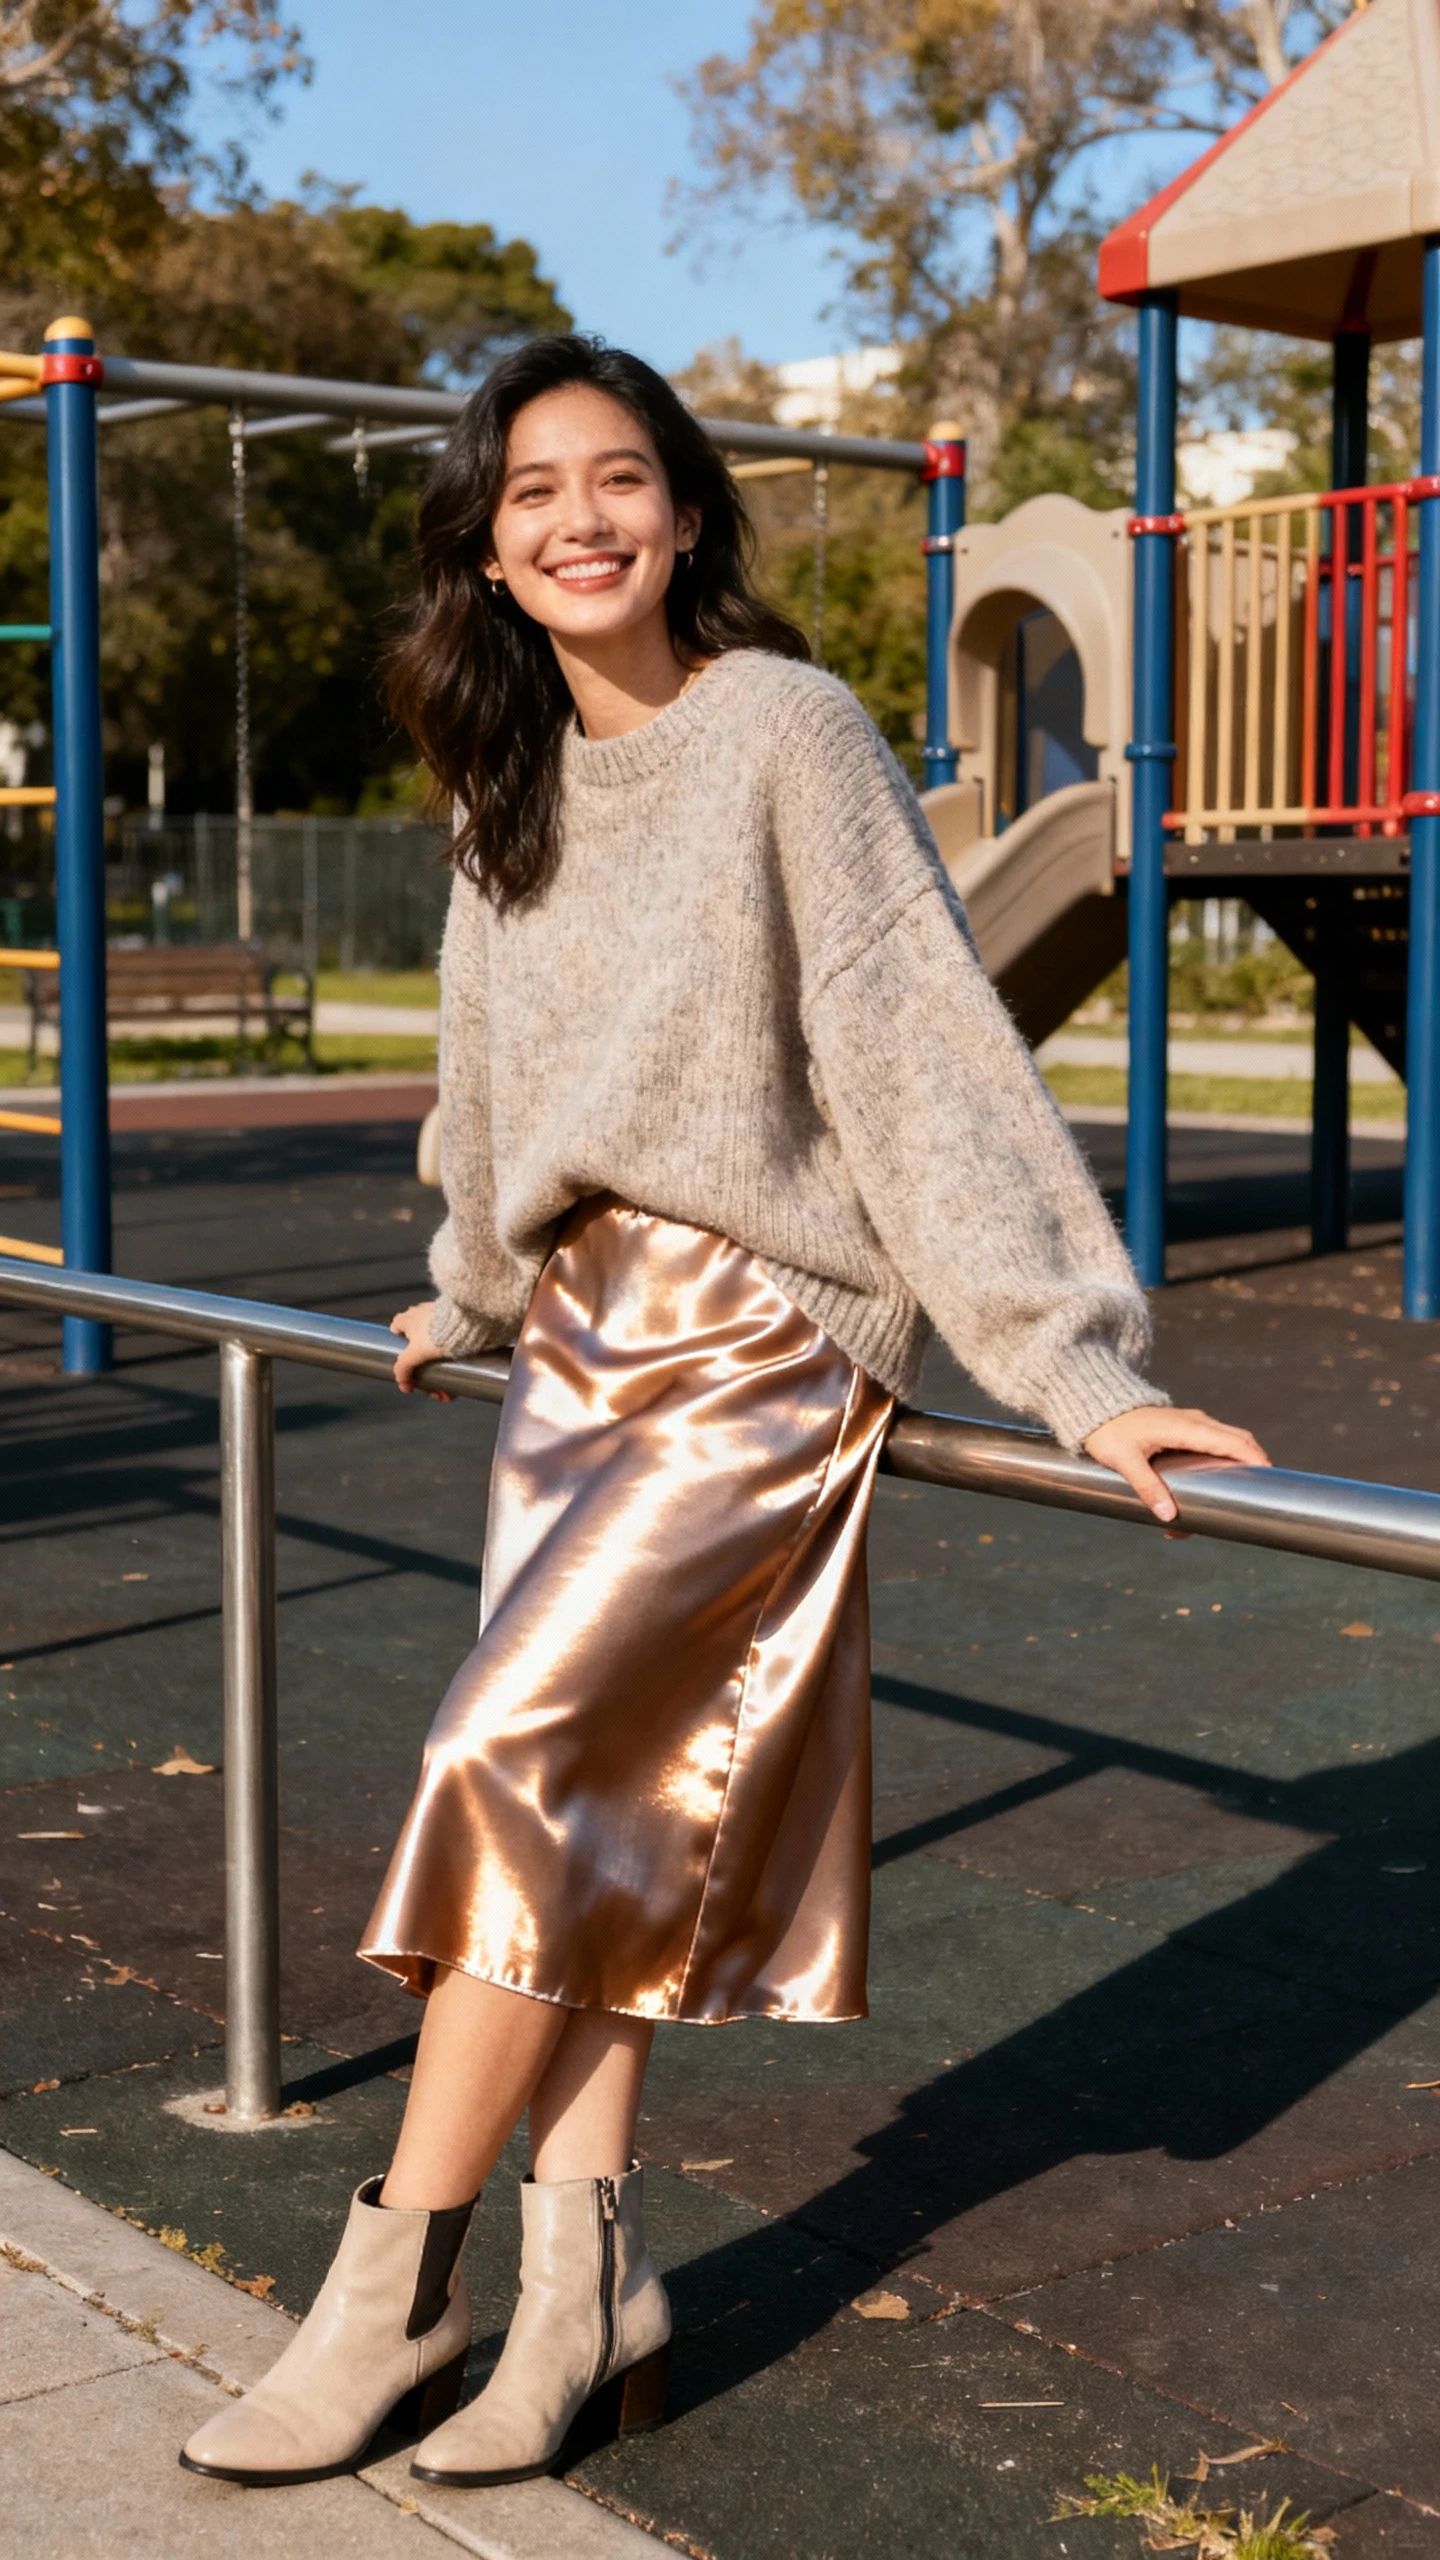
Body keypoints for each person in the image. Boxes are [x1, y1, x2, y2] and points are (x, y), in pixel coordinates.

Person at [179, 333, 1267, 2494]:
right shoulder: (504, 786)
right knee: (586, 1821)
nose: (577, 520)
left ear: (683, 510)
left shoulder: (787, 727)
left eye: (617, 480)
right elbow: (494, 1087)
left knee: (508, 1761)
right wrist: (469, 1286)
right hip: (578, 1345)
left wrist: (1072, 1365)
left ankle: (393, 2270)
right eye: (530, 496)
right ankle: (589, 2280)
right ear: (484, 554)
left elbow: (917, 1048)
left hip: (761, 1333)